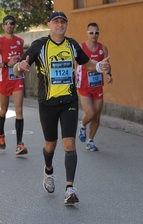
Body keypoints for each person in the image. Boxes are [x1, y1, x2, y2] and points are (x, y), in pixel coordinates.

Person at [13, 11, 110, 205]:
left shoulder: (72, 45)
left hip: (69, 101)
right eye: (56, 22)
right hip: (47, 103)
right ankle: (48, 170)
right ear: (49, 24)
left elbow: (87, 63)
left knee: (69, 144)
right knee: (51, 144)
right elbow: (20, 65)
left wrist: (99, 67)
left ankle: (69, 188)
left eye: (63, 22)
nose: (60, 25)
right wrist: (19, 66)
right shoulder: (39, 45)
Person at [76, 22, 113, 151]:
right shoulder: (81, 47)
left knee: (97, 115)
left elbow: (106, 65)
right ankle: (82, 124)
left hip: (97, 86)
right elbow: (74, 65)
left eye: (96, 32)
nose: (94, 35)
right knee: (90, 114)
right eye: (91, 32)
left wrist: (108, 74)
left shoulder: (103, 48)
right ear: (87, 33)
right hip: (84, 86)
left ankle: (90, 141)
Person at [0, 15, 28, 155]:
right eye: (7, 23)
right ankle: (1, 135)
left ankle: (19, 144)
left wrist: (23, 66)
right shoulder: (0, 42)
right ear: (3, 26)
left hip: (18, 79)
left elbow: (22, 59)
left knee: (19, 110)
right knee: (3, 110)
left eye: (12, 23)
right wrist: (7, 64)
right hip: (4, 80)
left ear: (14, 26)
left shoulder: (20, 41)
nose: (9, 25)